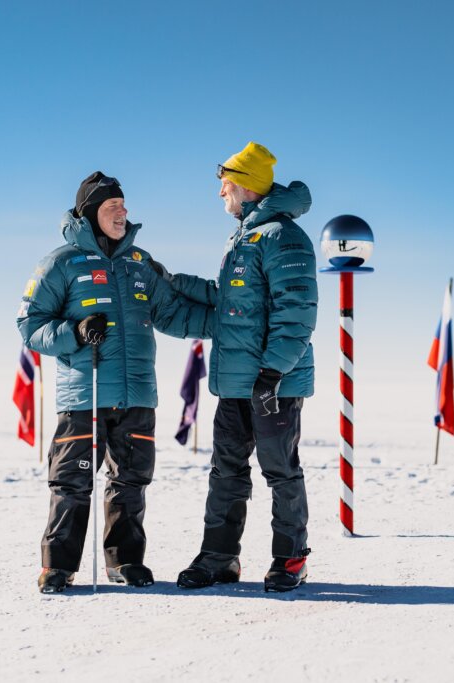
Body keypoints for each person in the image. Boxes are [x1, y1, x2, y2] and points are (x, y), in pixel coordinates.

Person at [17, 171, 212, 594]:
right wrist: (75, 330)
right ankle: (58, 566)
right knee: (72, 482)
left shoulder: (138, 264)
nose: (122, 213)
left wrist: (231, 323)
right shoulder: (60, 263)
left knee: (131, 482)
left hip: (138, 393)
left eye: (124, 205)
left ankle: (125, 560)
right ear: (90, 213)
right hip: (84, 394)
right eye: (112, 207)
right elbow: (30, 325)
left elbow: (174, 314)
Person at [163, 142, 319, 592]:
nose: (220, 194)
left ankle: (290, 560)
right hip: (234, 383)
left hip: (274, 384)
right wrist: (172, 281)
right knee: (226, 471)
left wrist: (273, 373)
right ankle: (219, 558)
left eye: (224, 184)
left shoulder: (282, 236)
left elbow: (297, 310)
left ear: (246, 186)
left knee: (279, 469)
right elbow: (229, 300)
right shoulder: (246, 236)